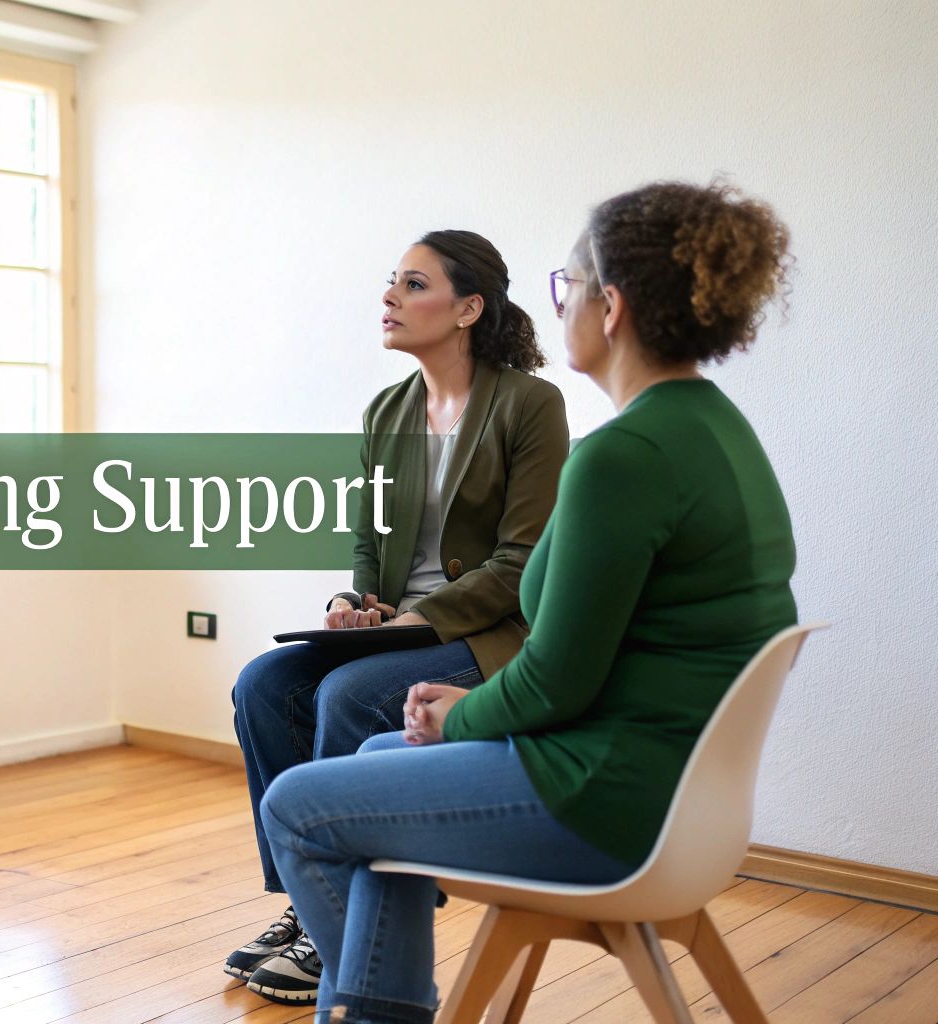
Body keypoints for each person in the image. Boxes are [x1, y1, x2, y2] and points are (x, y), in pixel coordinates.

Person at [259, 181, 798, 1024]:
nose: (560, 307)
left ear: (610, 306)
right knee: (364, 764)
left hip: (610, 797)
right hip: (675, 787)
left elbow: (553, 683)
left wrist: (458, 716)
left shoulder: (622, 456)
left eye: (567, 286)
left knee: (298, 804)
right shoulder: (711, 425)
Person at [227, 231, 569, 1004]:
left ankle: (342, 930)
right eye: (392, 282)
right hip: (399, 628)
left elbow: (522, 562)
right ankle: (307, 904)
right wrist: (354, 604)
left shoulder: (529, 404)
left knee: (351, 696)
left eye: (413, 285)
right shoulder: (388, 410)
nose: (389, 296)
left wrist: (412, 625)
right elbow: (368, 542)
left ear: (468, 309)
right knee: (263, 683)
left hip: (484, 636)